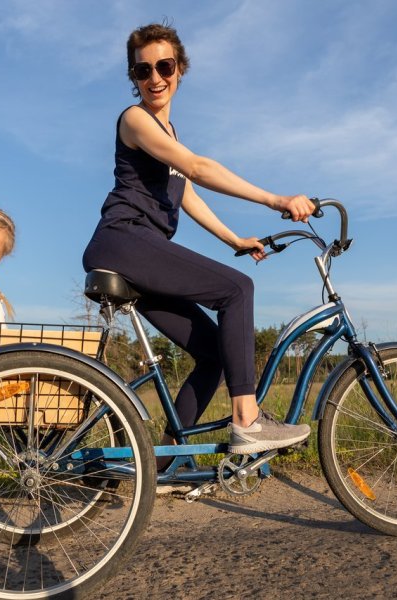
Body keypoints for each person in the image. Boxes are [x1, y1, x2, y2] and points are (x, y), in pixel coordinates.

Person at [82, 23, 315, 459]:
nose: (155, 78)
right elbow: (198, 168)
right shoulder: (135, 120)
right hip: (123, 241)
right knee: (237, 289)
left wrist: (234, 239)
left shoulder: (168, 137)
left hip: (140, 253)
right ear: (133, 77)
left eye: (164, 66)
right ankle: (247, 420)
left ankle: (168, 459)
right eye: (143, 70)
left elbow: (188, 192)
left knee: (213, 354)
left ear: (180, 69)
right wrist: (275, 199)